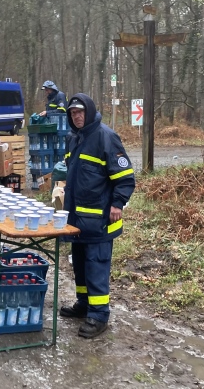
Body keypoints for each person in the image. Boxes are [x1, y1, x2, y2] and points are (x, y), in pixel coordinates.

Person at [59, 93, 135, 338]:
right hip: (77, 220)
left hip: (100, 220)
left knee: (96, 266)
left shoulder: (106, 137)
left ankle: (99, 315)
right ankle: (84, 304)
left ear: (89, 112)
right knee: (80, 265)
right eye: (73, 113)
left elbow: (125, 178)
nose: (76, 116)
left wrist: (118, 204)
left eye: (80, 112)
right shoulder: (73, 138)